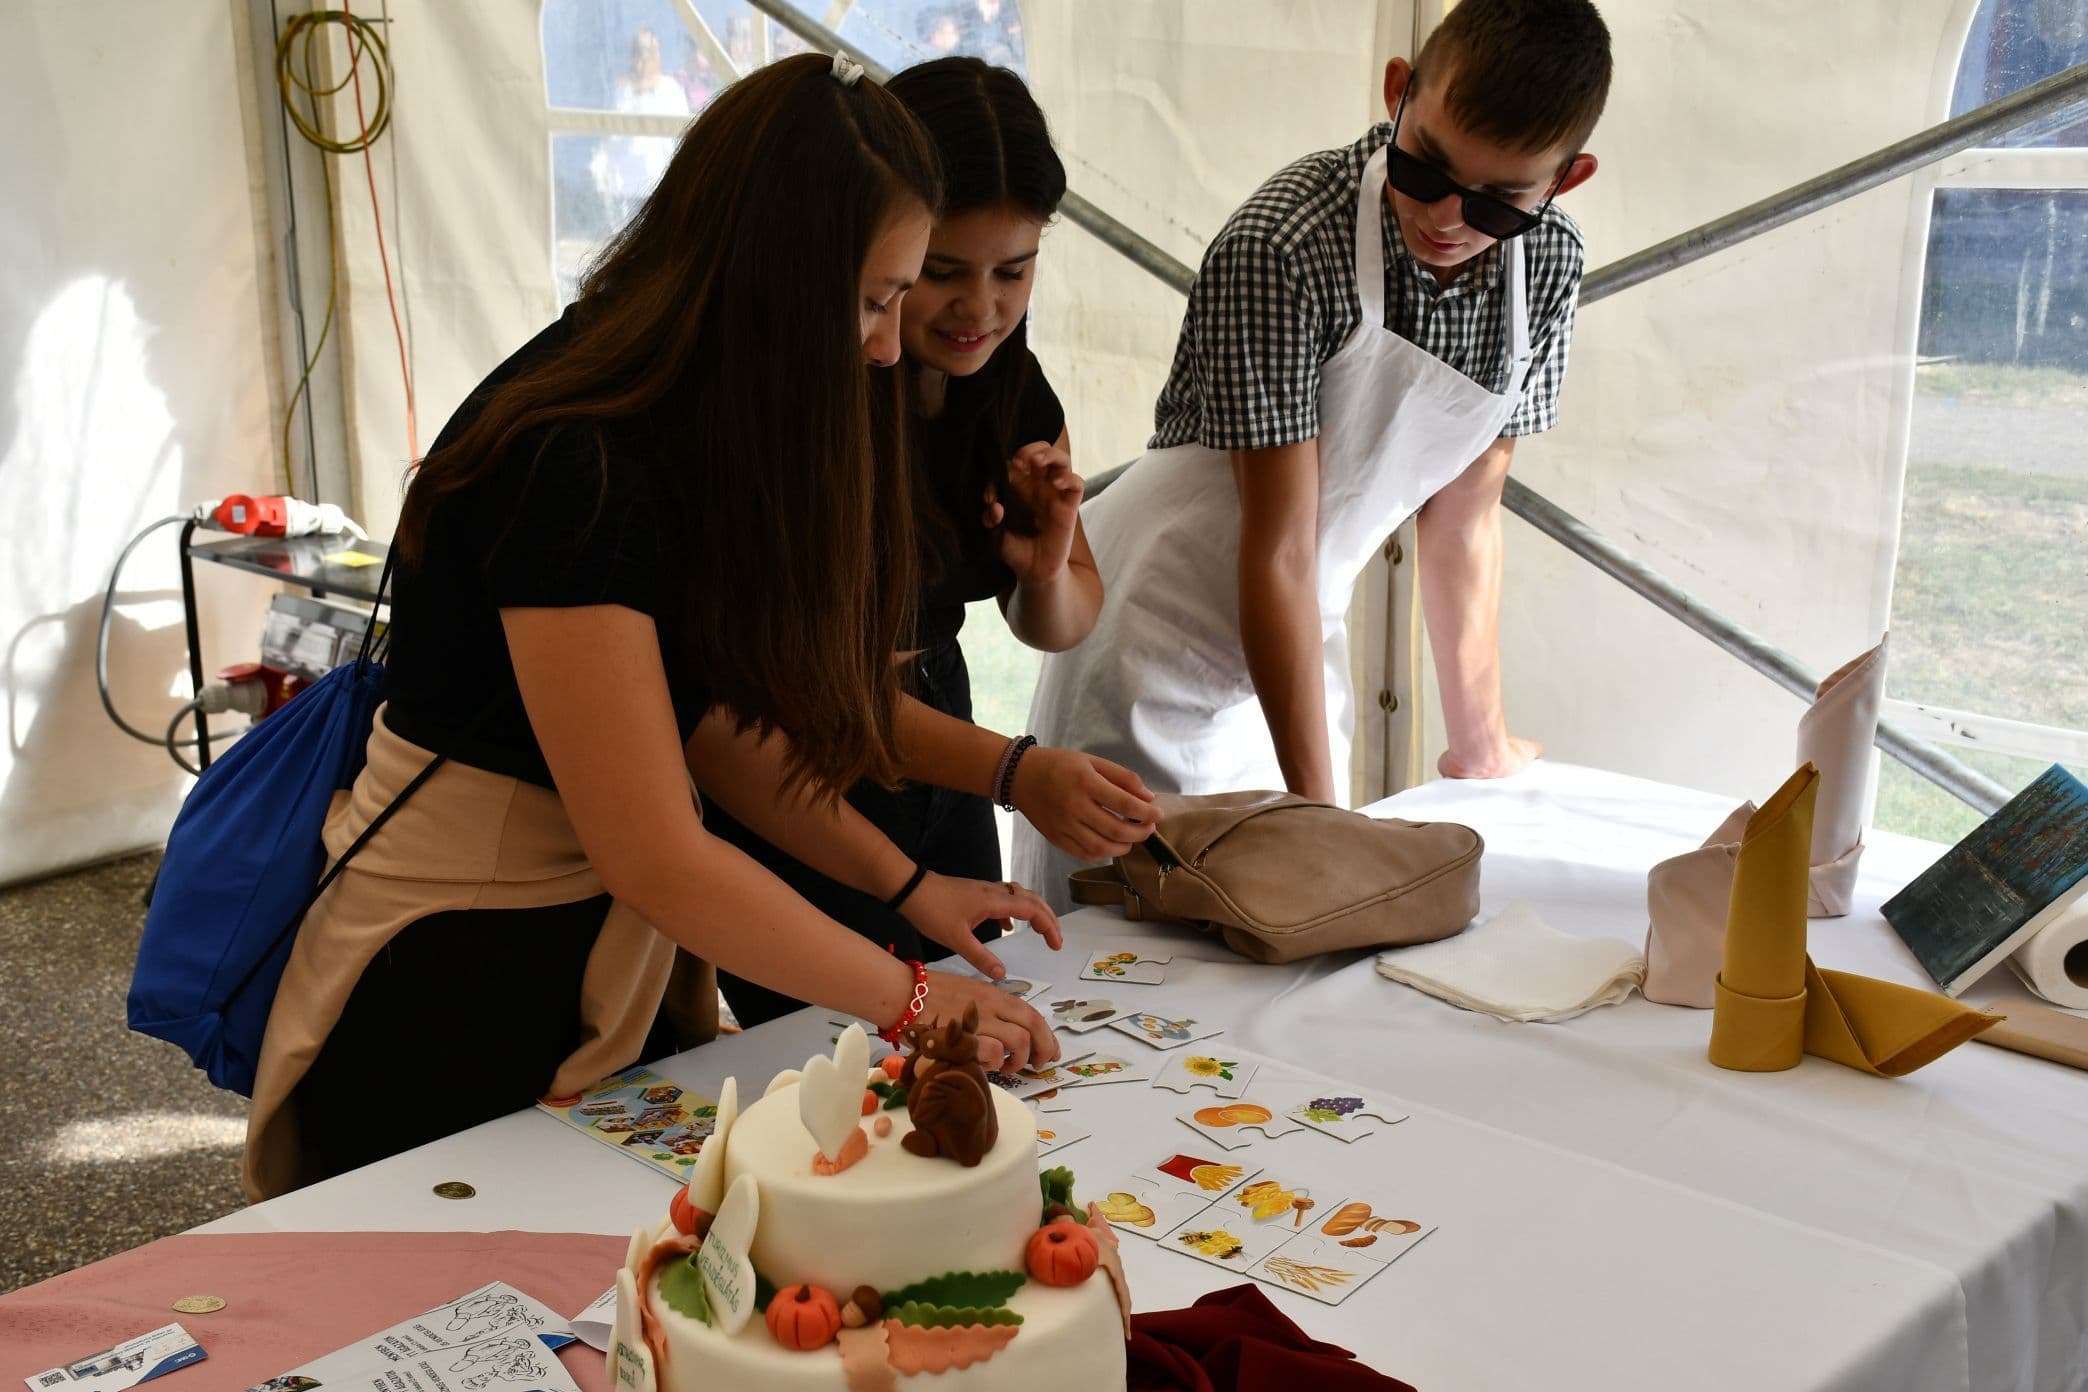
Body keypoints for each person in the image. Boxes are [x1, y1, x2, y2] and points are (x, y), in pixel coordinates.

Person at [242, 54, 1059, 1200]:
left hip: (594, 950)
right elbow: (656, 850)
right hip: (460, 972)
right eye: (876, 300)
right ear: (775, 279)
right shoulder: (573, 460)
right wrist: (913, 996)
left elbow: (711, 728)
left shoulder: (683, 417)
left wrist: (909, 888)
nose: (887, 346)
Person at [1017, 0, 1610, 908]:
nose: (1447, 217)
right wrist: (1322, 826)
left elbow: (1465, 519)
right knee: (1132, 934)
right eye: (1426, 167)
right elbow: (1279, 546)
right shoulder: (1287, 244)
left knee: (1279, 936)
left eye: (1498, 202)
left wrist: (1479, 745)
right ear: (1398, 92)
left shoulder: (1551, 266)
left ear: (1566, 181)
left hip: (1299, 624)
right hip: (1156, 629)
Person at [705, 55, 1158, 1028]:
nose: (981, 309)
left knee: (971, 1027)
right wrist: (1016, 770)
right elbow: (801, 693)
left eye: (1015, 272)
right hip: (807, 766)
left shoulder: (1010, 385)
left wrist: (1045, 565)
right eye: (940, 274)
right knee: (836, 1047)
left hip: (937, 740)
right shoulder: (811, 387)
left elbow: (1062, 619)